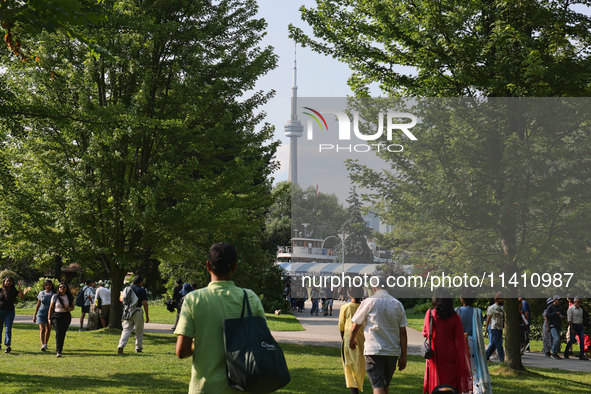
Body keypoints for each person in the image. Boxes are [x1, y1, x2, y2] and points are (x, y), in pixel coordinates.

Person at [175, 242, 267, 394]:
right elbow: (262, 343)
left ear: (208, 266)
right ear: (234, 268)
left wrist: (196, 344)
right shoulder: (250, 297)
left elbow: (181, 352)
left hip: (204, 388)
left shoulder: (193, 299)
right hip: (243, 387)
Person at [349, 276, 408, 394]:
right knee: (385, 385)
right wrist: (404, 355)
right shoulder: (397, 304)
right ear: (388, 287)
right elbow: (403, 332)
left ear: (373, 288)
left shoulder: (368, 302)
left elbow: (355, 326)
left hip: (373, 351)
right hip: (392, 351)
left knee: (377, 385)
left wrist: (351, 340)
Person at [423, 288, 471, 394]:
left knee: (436, 380)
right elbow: (459, 337)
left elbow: (425, 333)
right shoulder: (455, 317)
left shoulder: (430, 314)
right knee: (451, 381)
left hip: (435, 353)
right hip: (451, 354)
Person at [456, 288, 491, 394]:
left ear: (462, 299)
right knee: (475, 367)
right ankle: (476, 389)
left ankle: (463, 389)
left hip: (461, 342)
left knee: (462, 366)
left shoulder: (457, 311)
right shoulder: (477, 311)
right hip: (474, 341)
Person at [339, 286, 366, 394]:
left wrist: (344, 340)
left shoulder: (345, 307)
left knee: (350, 365)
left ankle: (354, 390)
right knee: (360, 363)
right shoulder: (364, 307)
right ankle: (359, 384)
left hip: (348, 340)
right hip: (362, 339)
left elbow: (341, 326)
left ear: (349, 293)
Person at [117, 275, 149, 354]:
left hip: (128, 311)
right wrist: (147, 315)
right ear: (140, 282)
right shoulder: (141, 290)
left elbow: (121, 299)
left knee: (126, 329)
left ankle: (121, 345)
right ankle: (138, 347)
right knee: (139, 330)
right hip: (137, 311)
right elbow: (145, 303)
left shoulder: (127, 289)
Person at [48, 282, 75, 357]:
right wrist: (49, 318)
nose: (62, 288)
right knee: (59, 332)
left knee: (63, 333)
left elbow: (72, 308)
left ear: (66, 289)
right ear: (58, 288)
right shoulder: (55, 297)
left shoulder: (69, 297)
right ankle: (58, 351)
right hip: (56, 316)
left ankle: (60, 348)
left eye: (64, 287)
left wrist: (67, 308)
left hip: (66, 316)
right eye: (60, 287)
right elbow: (51, 308)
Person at [0, 276, 25, 353]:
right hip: (0, 311)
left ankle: (7, 345)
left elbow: (22, 297)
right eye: (7, 281)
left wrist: (19, 288)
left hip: (10, 312)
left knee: (8, 329)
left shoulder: (14, 291)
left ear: (12, 282)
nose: (8, 282)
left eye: (10, 281)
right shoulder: (0, 290)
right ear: (4, 282)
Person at [33, 280, 55, 351]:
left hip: (51, 313)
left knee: (48, 329)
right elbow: (38, 304)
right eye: (46, 285)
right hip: (41, 313)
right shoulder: (41, 293)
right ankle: (42, 345)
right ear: (44, 286)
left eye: (49, 285)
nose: (48, 286)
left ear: (51, 286)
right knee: (42, 329)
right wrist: (35, 315)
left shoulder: (53, 294)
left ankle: (45, 343)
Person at [485, 292, 505, 363]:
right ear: (497, 299)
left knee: (494, 344)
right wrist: (486, 329)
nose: (503, 300)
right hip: (494, 328)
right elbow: (488, 319)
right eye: (501, 299)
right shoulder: (492, 308)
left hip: (500, 328)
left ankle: (485, 356)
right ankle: (502, 360)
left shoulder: (502, 307)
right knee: (499, 345)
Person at [546, 295, 566, 359]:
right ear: (554, 300)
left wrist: (563, 317)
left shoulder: (560, 308)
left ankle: (555, 352)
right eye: (558, 300)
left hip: (558, 325)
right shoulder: (550, 307)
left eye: (560, 300)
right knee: (556, 338)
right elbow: (547, 315)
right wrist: (555, 313)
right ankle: (553, 352)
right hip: (552, 325)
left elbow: (563, 315)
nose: (559, 301)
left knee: (558, 340)